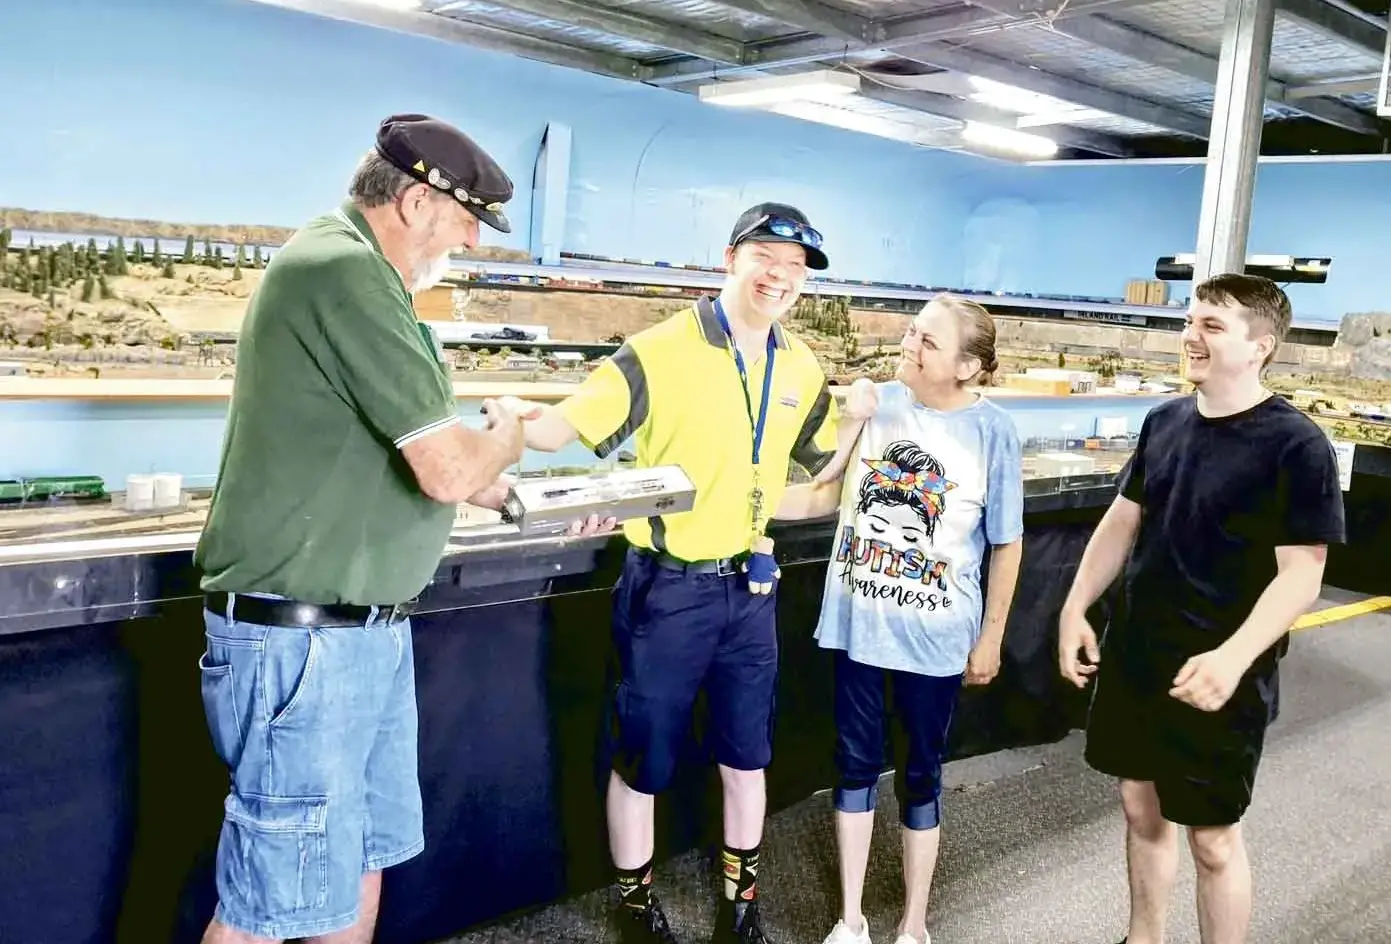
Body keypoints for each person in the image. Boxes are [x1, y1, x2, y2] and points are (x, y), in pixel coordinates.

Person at [192, 113, 610, 944]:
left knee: (357, 861)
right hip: (302, 644)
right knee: (268, 901)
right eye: (465, 220)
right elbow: (450, 467)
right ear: (418, 201)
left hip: (360, 636)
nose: (466, 239)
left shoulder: (364, 278)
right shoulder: (341, 272)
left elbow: (420, 458)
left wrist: (521, 496)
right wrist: (510, 431)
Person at [493, 203, 847, 944]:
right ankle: (635, 909)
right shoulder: (658, 350)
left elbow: (813, 475)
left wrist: (871, 423)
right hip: (668, 590)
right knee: (643, 760)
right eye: (765, 260)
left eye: (794, 270)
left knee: (746, 757)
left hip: (751, 588)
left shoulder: (802, 367)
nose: (778, 278)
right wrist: (509, 419)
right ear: (730, 258)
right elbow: (565, 427)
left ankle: (739, 910)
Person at [1057, 273, 1346, 944]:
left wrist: (1233, 657)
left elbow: (1300, 575)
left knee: (1212, 839)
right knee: (1139, 808)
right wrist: (1075, 605)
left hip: (1220, 674)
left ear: (1260, 346)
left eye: (1211, 327)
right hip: (1136, 655)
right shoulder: (1165, 421)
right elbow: (1120, 522)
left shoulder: (1295, 445)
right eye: (1189, 323)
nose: (1190, 337)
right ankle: (1143, 937)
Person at [776, 294, 1025, 944]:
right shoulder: (878, 403)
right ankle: (850, 918)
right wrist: (849, 418)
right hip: (860, 627)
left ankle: (914, 924)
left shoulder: (993, 431)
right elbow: (825, 483)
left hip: (936, 638)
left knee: (921, 774)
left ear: (968, 367)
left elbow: (1006, 541)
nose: (908, 347)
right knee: (853, 766)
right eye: (911, 333)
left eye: (928, 342)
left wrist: (991, 636)